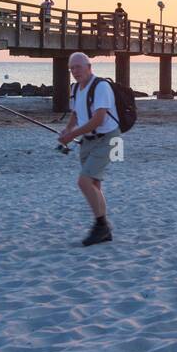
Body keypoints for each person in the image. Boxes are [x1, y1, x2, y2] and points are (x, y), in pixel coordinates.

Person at [58, 52, 122, 247]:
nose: (75, 71)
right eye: (72, 68)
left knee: (84, 181)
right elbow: (76, 112)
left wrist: (71, 134)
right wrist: (68, 129)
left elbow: (99, 118)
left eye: (78, 67)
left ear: (89, 66)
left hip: (109, 139)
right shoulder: (76, 88)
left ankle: (102, 226)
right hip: (87, 140)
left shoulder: (101, 86)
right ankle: (102, 229)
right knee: (93, 183)